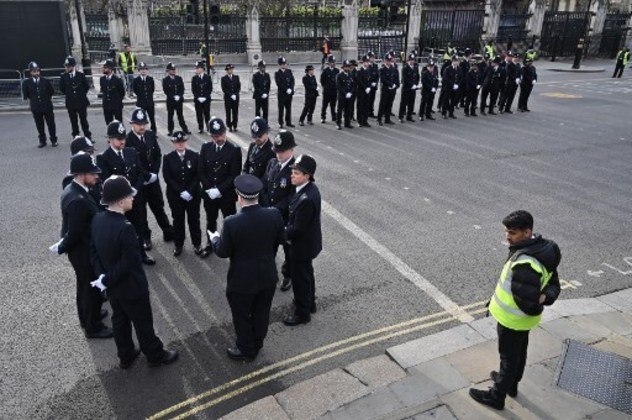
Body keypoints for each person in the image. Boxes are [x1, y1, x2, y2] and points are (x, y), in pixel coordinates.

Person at [469, 210, 561, 410]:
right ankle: (510, 385)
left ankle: (497, 396)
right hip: (523, 321)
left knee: (509, 358)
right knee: (519, 354)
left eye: (512, 233)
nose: (507, 237)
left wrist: (538, 302)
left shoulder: (526, 263)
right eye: (506, 231)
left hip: (513, 319)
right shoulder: (541, 250)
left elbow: (527, 302)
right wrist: (546, 297)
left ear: (527, 232)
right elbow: (554, 283)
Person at [90, 176, 179, 369]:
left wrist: (103, 277)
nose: (133, 199)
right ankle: (155, 354)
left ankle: (126, 355)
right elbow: (130, 261)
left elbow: (94, 250)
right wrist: (108, 278)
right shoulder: (126, 227)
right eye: (130, 196)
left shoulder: (97, 219)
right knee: (142, 322)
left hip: (112, 286)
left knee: (120, 320)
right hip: (131, 286)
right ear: (121, 201)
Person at [210, 174, 285, 361]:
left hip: (241, 280)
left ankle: (245, 349)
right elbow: (280, 240)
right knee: (262, 312)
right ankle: (258, 342)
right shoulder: (274, 214)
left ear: (239, 196)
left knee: (242, 315)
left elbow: (223, 252)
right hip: (267, 275)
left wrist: (214, 239)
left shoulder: (231, 222)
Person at [50, 153, 112, 339]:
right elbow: (75, 233)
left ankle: (87, 316)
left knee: (84, 286)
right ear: (80, 174)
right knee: (89, 288)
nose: (96, 176)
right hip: (83, 251)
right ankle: (93, 326)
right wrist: (61, 246)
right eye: (92, 173)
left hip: (81, 248)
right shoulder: (78, 199)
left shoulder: (74, 189)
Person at [97, 120, 155, 266]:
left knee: (139, 227)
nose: (122, 141)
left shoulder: (131, 152)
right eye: (119, 139)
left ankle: (141, 254)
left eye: (123, 138)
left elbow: (140, 173)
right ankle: (125, 259)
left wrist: (135, 188)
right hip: (119, 203)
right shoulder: (103, 158)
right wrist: (125, 193)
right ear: (110, 139)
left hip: (135, 198)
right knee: (121, 231)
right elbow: (106, 182)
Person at [126, 108, 175, 250]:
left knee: (158, 206)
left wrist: (154, 173)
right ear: (132, 124)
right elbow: (133, 163)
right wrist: (146, 175)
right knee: (140, 211)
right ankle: (145, 237)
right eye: (138, 124)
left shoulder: (150, 135)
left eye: (144, 123)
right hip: (139, 182)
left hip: (152, 181)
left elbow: (157, 155)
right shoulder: (128, 140)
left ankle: (167, 231)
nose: (142, 127)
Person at [283, 154, 322, 326]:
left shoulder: (306, 199)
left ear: (307, 176)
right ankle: (309, 303)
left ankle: (302, 313)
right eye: (293, 171)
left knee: (300, 279)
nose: (292, 175)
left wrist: (281, 232)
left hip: (301, 246)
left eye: (297, 173)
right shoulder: (306, 189)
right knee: (307, 275)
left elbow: (297, 229)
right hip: (308, 244)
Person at [198, 117, 242, 255]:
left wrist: (219, 190)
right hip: (210, 193)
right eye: (215, 136)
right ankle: (210, 243)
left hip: (226, 194)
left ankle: (232, 244)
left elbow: (234, 174)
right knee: (210, 221)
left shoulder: (234, 150)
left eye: (221, 134)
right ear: (211, 136)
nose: (219, 138)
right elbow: (201, 171)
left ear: (225, 132)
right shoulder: (205, 148)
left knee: (230, 221)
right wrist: (210, 188)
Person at [260, 131, 296, 292]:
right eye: (277, 150)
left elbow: (292, 197)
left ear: (291, 150)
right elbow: (265, 187)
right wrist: (266, 206)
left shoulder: (295, 170)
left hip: (286, 219)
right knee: (269, 248)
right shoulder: (272, 163)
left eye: (282, 151)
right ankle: (268, 274)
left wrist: (275, 209)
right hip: (270, 217)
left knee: (288, 251)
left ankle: (288, 275)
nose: (278, 154)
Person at [162, 131, 204, 257]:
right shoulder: (168, 158)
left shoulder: (195, 156)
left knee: (194, 220)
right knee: (178, 221)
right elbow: (167, 178)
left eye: (182, 142)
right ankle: (178, 244)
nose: (180, 144)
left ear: (186, 142)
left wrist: (189, 191)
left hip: (193, 195)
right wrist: (181, 191)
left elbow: (198, 176)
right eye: (177, 142)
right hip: (176, 196)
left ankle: (197, 244)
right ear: (173, 143)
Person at [23, 61, 57, 148]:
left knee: (51, 124)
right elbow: (26, 95)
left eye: (37, 71)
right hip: (36, 107)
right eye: (34, 71)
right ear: (30, 72)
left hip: (47, 106)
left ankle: (54, 140)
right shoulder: (26, 83)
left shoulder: (45, 81)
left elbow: (51, 92)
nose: (36, 73)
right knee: (39, 125)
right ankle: (42, 141)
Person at [60, 56, 91, 140]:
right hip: (71, 102)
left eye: (68, 66)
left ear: (73, 66)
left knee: (84, 121)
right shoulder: (64, 77)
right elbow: (62, 89)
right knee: (73, 121)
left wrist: (79, 95)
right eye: (66, 66)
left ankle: (87, 136)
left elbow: (86, 87)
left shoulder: (80, 75)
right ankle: (76, 136)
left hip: (81, 101)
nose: (67, 68)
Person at [162, 62, 191, 137]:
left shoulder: (179, 78)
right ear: (168, 71)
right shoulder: (165, 80)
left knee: (180, 115)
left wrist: (179, 96)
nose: (174, 71)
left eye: (174, 69)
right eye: (172, 70)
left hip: (179, 101)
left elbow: (182, 88)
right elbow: (166, 91)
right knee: (170, 116)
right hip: (171, 101)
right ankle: (170, 130)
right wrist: (173, 96)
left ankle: (185, 129)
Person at [132, 62, 157, 132]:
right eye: (141, 69)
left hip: (149, 102)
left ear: (147, 70)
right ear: (138, 71)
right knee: (141, 119)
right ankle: (142, 131)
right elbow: (136, 91)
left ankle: (154, 132)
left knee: (152, 118)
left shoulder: (150, 79)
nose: (143, 71)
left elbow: (152, 90)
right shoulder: (136, 80)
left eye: (145, 69)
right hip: (141, 103)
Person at [377, 53, 399, 126]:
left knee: (389, 104)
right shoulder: (382, 69)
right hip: (385, 89)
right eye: (387, 60)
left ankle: (387, 119)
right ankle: (379, 119)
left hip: (392, 90)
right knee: (383, 104)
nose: (389, 62)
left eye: (390, 60)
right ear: (385, 61)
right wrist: (390, 84)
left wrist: (395, 85)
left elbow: (396, 78)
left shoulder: (394, 69)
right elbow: (383, 79)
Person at [100, 59, 125, 124]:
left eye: (106, 68)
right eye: (104, 67)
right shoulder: (102, 79)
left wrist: (117, 100)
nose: (104, 69)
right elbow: (103, 90)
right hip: (106, 105)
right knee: (108, 122)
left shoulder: (117, 80)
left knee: (119, 123)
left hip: (116, 105)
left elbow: (122, 92)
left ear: (110, 69)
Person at [192, 60, 213, 134]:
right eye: (196, 68)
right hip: (198, 100)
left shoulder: (208, 77)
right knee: (199, 114)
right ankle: (200, 127)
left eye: (198, 68)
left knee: (207, 114)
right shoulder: (194, 78)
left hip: (206, 99)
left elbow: (209, 89)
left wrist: (205, 97)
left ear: (202, 69)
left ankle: (208, 127)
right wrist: (198, 97)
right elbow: (194, 90)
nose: (196, 69)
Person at [399, 53, 420, 123]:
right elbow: (405, 79)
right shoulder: (405, 68)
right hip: (406, 88)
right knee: (403, 103)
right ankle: (401, 116)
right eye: (411, 60)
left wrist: (416, 84)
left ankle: (409, 116)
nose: (412, 61)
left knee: (411, 103)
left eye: (413, 60)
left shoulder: (415, 67)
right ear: (408, 60)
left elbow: (417, 77)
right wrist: (411, 85)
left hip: (413, 88)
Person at [275, 57, 295, 128]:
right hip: (282, 94)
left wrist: (291, 89)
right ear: (279, 65)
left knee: (288, 108)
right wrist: (286, 89)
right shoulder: (277, 73)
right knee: (281, 109)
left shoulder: (289, 71)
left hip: (289, 93)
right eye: (282, 64)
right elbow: (279, 83)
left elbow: (292, 81)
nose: (283, 65)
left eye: (284, 64)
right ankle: (281, 122)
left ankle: (288, 122)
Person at [336, 60, 355, 130]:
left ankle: (347, 123)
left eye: (348, 66)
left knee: (348, 110)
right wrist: (345, 93)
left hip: (349, 95)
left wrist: (351, 92)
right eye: (346, 67)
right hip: (342, 96)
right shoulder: (339, 75)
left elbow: (353, 85)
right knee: (340, 110)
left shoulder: (351, 74)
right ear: (343, 67)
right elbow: (338, 86)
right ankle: (338, 123)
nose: (347, 68)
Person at [221, 64, 241, 132]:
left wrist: (235, 94)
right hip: (228, 98)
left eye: (232, 69)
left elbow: (238, 87)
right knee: (228, 112)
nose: (231, 70)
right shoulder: (223, 78)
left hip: (235, 98)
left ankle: (235, 125)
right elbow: (224, 89)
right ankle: (229, 125)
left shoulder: (236, 77)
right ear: (227, 71)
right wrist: (231, 95)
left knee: (235, 112)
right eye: (229, 69)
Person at [320, 55, 339, 124]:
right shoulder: (325, 71)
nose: (333, 63)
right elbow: (322, 81)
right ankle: (323, 117)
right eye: (332, 62)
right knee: (324, 105)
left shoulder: (337, 71)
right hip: (327, 91)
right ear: (329, 63)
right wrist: (326, 87)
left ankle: (333, 117)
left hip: (334, 91)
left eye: (334, 62)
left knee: (333, 105)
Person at [356, 55, 372, 127]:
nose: (367, 63)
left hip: (367, 91)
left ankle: (365, 120)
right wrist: (365, 88)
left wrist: (369, 87)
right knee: (360, 106)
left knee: (366, 106)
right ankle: (359, 121)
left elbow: (370, 80)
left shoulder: (368, 70)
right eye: (366, 62)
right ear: (363, 62)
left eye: (368, 62)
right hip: (361, 91)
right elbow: (359, 81)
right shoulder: (359, 71)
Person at [367, 52, 380, 118]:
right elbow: (365, 77)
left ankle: (371, 112)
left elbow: (378, 75)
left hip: (374, 86)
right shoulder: (367, 65)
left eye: (373, 57)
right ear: (368, 58)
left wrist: (376, 82)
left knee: (372, 99)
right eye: (371, 57)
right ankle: (367, 112)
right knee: (367, 100)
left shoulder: (375, 66)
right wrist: (370, 83)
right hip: (368, 86)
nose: (373, 58)